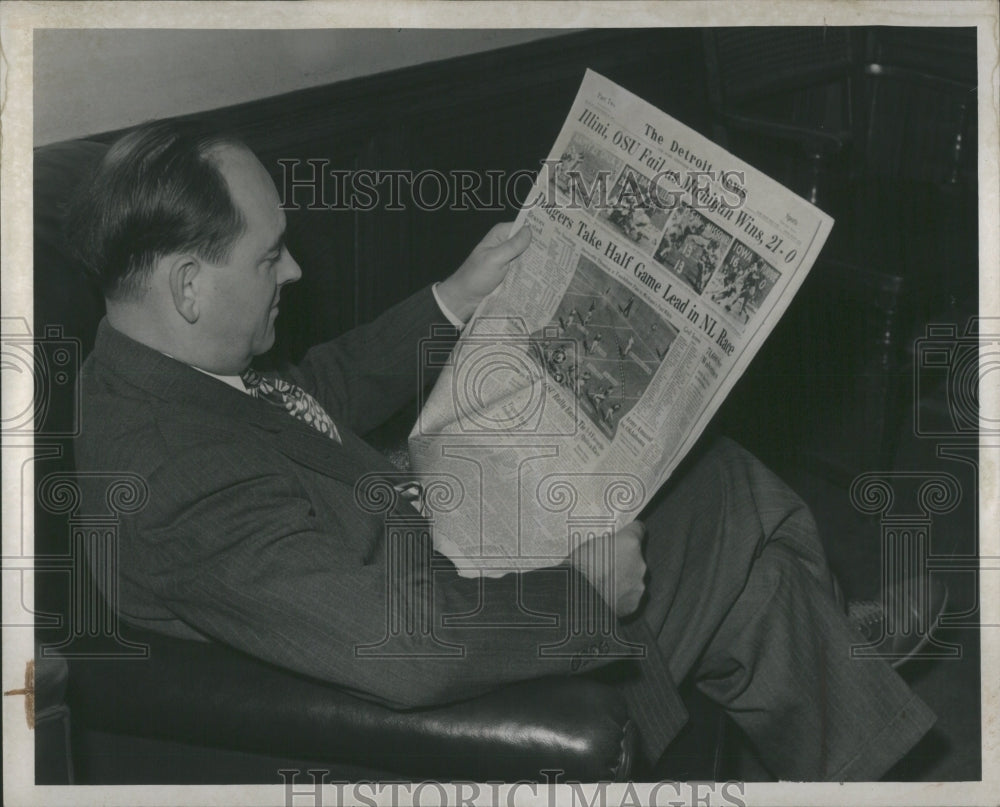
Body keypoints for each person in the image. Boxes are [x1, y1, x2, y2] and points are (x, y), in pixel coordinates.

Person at [68, 120, 936, 781]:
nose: (294, 274)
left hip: (428, 544)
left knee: (754, 576)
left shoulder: (153, 367)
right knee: (721, 488)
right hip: (454, 645)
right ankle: (841, 664)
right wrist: (585, 589)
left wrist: (452, 298)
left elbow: (307, 397)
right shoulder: (174, 476)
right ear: (188, 285)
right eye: (271, 257)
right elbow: (410, 652)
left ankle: (833, 670)